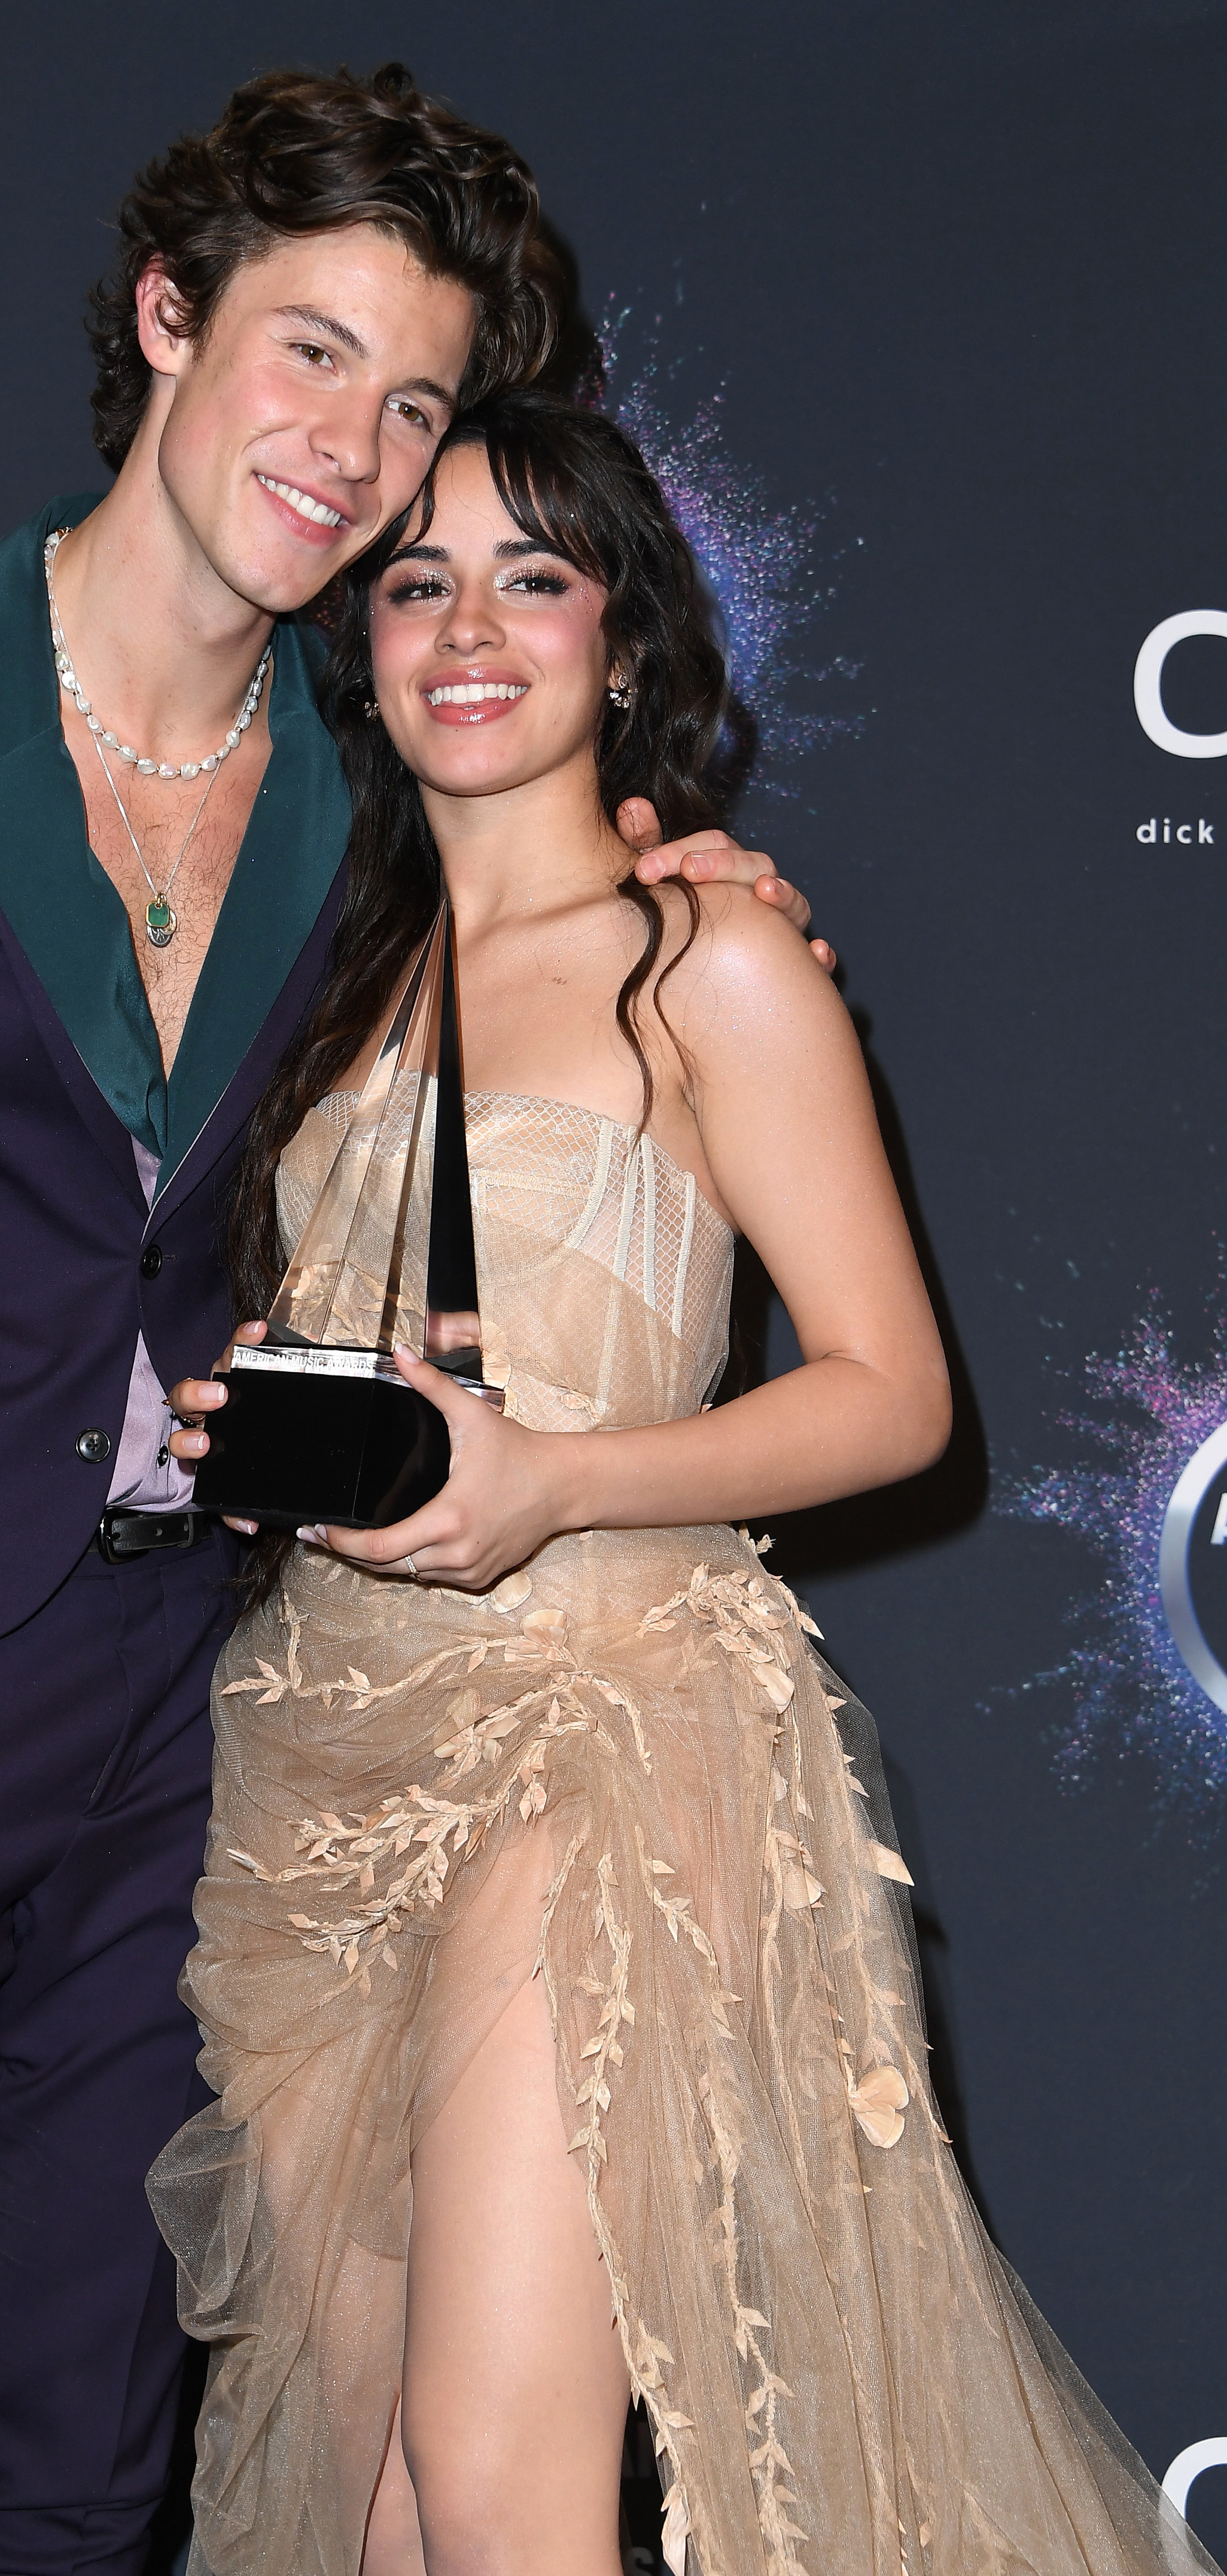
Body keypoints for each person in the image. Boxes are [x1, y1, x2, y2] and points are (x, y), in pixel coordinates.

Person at [0, 66, 826, 2576]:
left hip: (201, 1744)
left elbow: (573, 920)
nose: (354, 447)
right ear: (165, 319)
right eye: (309, 349)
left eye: (415, 398)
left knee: (82, 2487)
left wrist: (701, 890)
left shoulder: (368, 789)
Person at [156, 391, 1217, 2576]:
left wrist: (555, 1477)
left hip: (611, 1729)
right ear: (353, 635)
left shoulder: (707, 960)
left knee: (494, 2468)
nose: (467, 626)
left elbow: (896, 1399)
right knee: (348, 2498)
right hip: (324, 1770)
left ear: (620, 635)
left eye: (532, 575)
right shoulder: (324, 984)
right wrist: (257, 1421)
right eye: (414, 578)